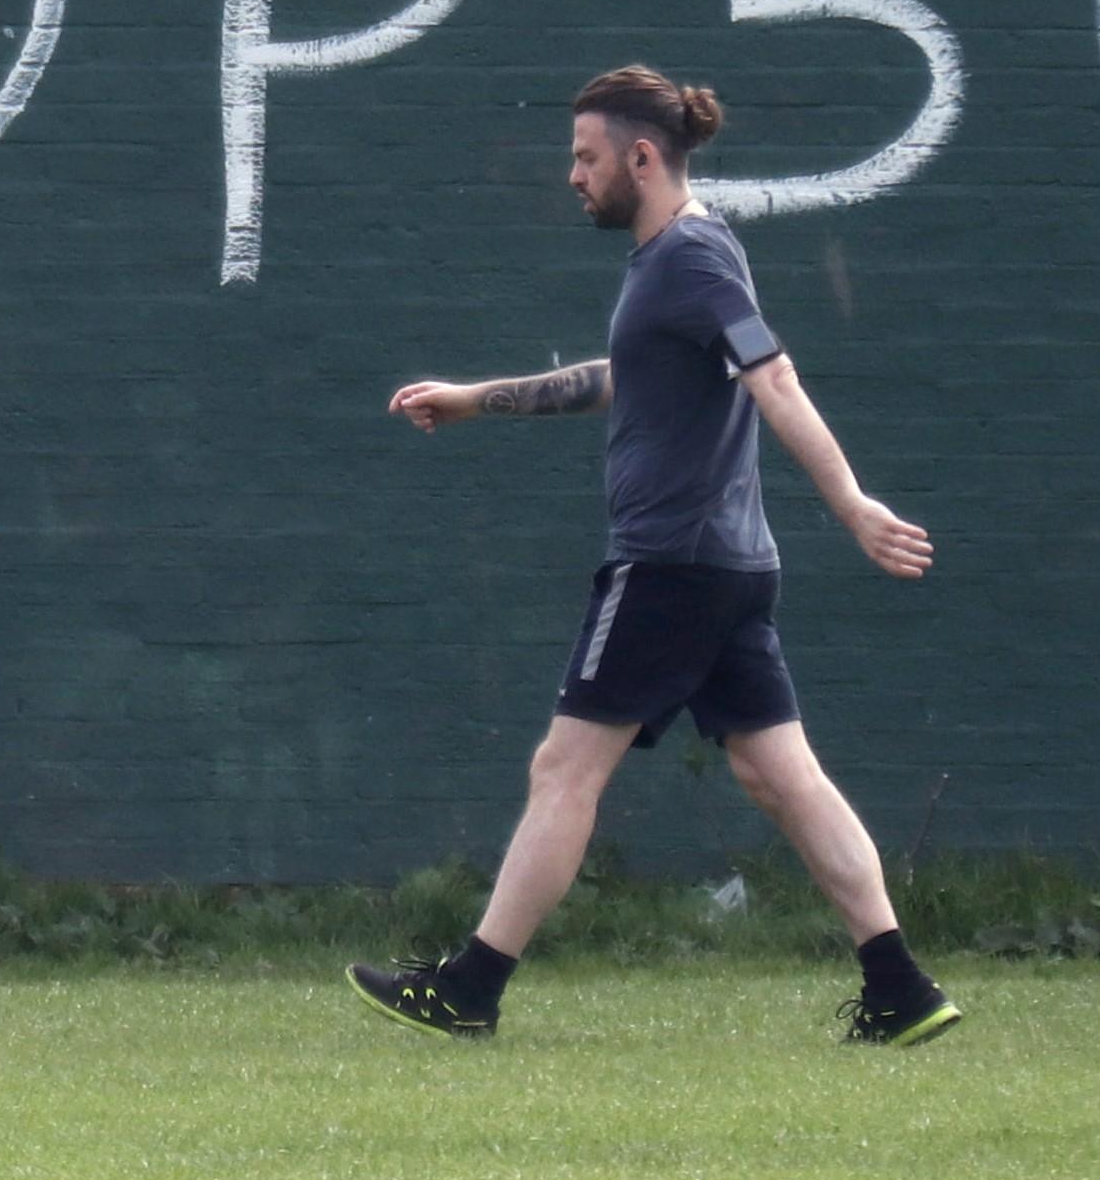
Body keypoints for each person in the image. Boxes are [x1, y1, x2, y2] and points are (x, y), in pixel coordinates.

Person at [345, 66, 961, 1047]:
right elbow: (624, 378)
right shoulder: (671, 264)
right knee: (779, 776)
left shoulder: (691, 257)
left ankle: (470, 986)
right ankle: (898, 985)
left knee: (563, 770)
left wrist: (848, 502)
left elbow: (775, 378)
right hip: (724, 567)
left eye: (585, 157)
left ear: (641, 157)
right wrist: (476, 397)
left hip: (669, 566)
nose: (571, 177)